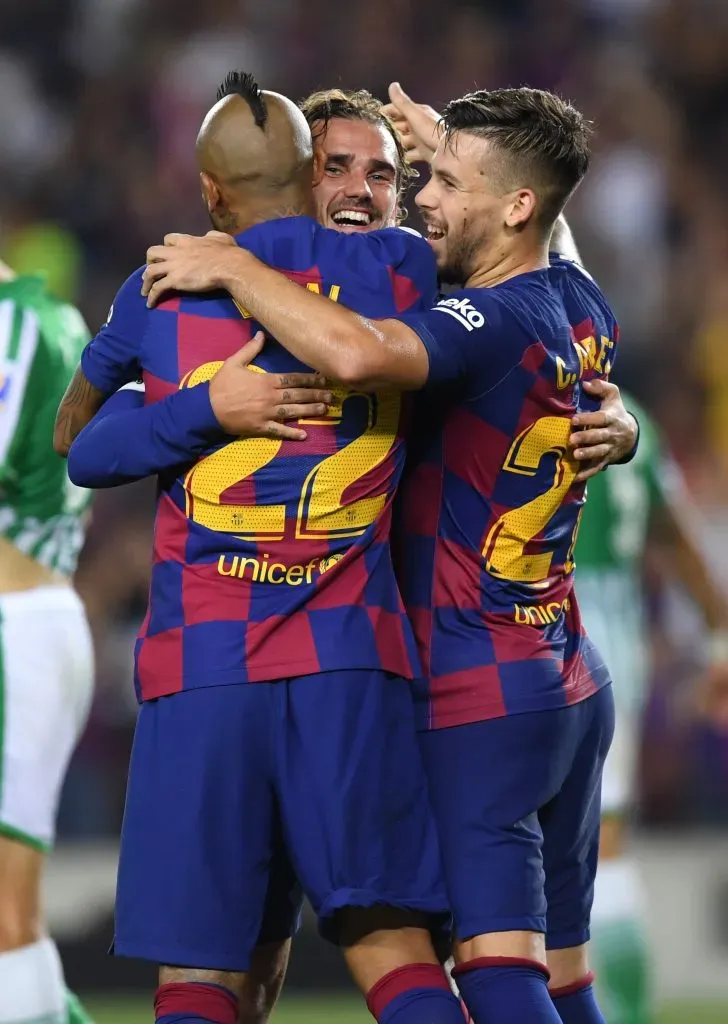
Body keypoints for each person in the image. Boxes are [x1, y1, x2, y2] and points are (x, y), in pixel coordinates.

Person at [143, 85, 638, 1024]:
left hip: (451, 684)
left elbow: (360, 354)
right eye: (415, 177)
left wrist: (236, 269)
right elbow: (550, 250)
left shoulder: (454, 317)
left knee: (488, 972)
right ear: (294, 182)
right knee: (556, 974)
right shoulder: (573, 295)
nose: (411, 199)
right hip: (558, 669)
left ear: (517, 207)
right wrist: (628, 427)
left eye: (421, 179)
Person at [61, 74, 474, 1024]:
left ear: (212, 191)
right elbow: (531, 272)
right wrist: (449, 156)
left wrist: (203, 406)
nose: (362, 190)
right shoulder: (405, 272)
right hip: (350, 661)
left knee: (198, 975)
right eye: (341, 168)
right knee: (394, 948)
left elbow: (79, 445)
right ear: (305, 174)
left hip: (204, 667)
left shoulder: (162, 284)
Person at [574, 392, 728, 1024]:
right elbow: (678, 535)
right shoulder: (638, 421)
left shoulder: (528, 397)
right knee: (606, 845)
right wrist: (721, 640)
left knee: (501, 834)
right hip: (620, 640)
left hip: (541, 621)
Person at [0, 260, 95, 1024]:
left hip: (14, 631)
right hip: (36, 618)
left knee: (6, 918)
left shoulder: (15, 326)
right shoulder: (46, 318)